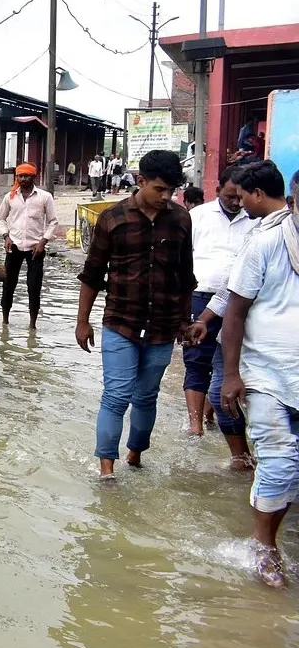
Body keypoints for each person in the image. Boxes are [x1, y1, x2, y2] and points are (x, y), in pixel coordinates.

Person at [76, 149, 196, 480]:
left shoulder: (181, 219)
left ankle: (135, 455)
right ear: (140, 182)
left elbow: (185, 276)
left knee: (146, 396)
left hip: (163, 326)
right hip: (120, 323)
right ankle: (106, 471)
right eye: (159, 189)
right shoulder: (112, 219)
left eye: (171, 191)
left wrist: (185, 322)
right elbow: (92, 273)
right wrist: (82, 321)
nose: (165, 196)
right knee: (116, 395)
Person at [189, 161, 292, 470]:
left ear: (257, 194)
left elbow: (235, 303)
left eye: (243, 195)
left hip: (268, 345)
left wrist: (233, 372)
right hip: (253, 337)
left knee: (232, 394)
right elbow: (232, 289)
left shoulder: (265, 237)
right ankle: (242, 459)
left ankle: (254, 466)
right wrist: (204, 320)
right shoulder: (262, 231)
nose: (240, 202)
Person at [219, 196, 299, 587]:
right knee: (280, 461)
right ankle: (264, 547)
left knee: (294, 469)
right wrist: (231, 374)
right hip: (266, 373)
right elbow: (234, 310)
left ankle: (269, 535)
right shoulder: (266, 244)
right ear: (292, 202)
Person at [181, 166, 255, 436]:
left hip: (243, 300)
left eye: (239, 197)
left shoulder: (255, 217)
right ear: (217, 191)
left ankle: (215, 410)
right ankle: (195, 424)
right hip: (201, 295)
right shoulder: (197, 216)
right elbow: (182, 256)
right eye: (229, 196)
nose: (235, 202)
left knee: (231, 362)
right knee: (197, 359)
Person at [0, 163, 58, 330]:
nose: (23, 179)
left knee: (34, 286)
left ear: (33, 177)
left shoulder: (45, 197)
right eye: (20, 176)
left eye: (26, 176)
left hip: (35, 249)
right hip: (14, 246)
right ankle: (5, 322)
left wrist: (43, 242)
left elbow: (53, 222)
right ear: (17, 177)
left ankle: (32, 326)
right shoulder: (10, 197)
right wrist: (5, 236)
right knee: (8, 284)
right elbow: (0, 218)